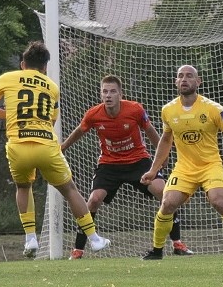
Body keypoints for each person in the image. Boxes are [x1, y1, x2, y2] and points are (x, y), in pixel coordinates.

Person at [0, 41, 110, 258]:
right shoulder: (51, 86)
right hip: (45, 145)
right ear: (45, 67)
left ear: (22, 64)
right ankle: (94, 239)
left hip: (18, 145)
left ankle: (30, 239)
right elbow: (52, 119)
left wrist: (9, 114)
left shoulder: (8, 78)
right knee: (69, 190)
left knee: (23, 187)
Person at [59, 75, 193, 259]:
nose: (108, 95)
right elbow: (79, 131)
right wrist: (63, 147)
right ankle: (78, 249)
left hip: (138, 161)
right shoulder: (93, 114)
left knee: (165, 193)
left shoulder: (135, 109)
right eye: (105, 91)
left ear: (120, 94)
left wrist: (163, 156)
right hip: (109, 164)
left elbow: (151, 131)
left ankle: (177, 243)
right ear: (100, 94)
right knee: (93, 200)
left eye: (113, 91)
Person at [139, 64, 223, 259]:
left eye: (189, 76)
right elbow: (166, 140)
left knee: (218, 201)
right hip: (184, 168)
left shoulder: (213, 109)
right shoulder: (168, 110)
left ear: (198, 81)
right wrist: (153, 170)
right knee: (167, 203)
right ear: (176, 82)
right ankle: (157, 251)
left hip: (210, 166)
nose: (184, 79)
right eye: (180, 76)